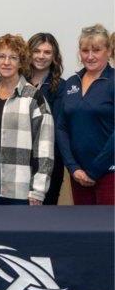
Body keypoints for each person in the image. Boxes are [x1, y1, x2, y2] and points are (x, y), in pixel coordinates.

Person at [0, 34, 54, 205]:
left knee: (20, 232)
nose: (6, 62)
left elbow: (45, 148)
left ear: (21, 62)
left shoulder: (34, 98)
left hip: (21, 187)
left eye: (13, 57)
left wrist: (38, 190)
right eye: (2, 56)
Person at [56, 24, 114, 205]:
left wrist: (94, 170)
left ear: (108, 51)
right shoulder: (71, 83)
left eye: (96, 50)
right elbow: (61, 127)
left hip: (108, 173)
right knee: (83, 229)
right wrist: (73, 167)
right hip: (78, 175)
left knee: (107, 230)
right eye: (85, 50)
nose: (90, 56)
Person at [26, 33, 65, 205]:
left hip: (49, 161)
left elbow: (56, 127)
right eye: (36, 51)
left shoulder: (61, 87)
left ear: (55, 57)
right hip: (18, 159)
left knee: (45, 217)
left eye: (47, 52)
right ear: (28, 53)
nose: (41, 56)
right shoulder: (17, 82)